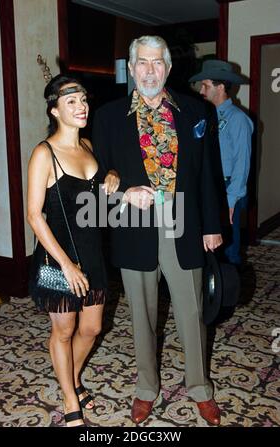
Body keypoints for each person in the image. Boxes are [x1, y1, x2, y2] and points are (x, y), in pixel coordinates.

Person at [93, 36, 223, 425]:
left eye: (157, 63)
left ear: (167, 68)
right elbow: (98, 174)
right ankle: (146, 388)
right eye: (142, 63)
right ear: (131, 69)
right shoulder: (108, 116)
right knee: (142, 315)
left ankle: (199, 387)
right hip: (133, 226)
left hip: (184, 224)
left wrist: (212, 226)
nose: (150, 70)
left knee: (192, 312)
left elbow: (208, 175)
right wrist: (122, 191)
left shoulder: (196, 111)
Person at [27, 74, 119, 427]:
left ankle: (72, 376)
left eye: (83, 100)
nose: (81, 106)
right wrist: (67, 265)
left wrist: (111, 174)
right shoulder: (44, 153)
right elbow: (35, 216)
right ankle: (69, 396)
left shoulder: (89, 147)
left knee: (92, 328)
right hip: (58, 259)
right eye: (72, 101)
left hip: (91, 253)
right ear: (54, 110)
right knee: (63, 331)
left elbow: (96, 204)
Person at [189, 60, 253, 266]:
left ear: (221, 87)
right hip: (207, 185)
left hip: (227, 189)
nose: (201, 91)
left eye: (206, 85)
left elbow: (242, 163)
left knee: (227, 248)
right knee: (205, 244)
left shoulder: (238, 119)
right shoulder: (204, 116)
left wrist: (232, 199)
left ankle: (228, 292)